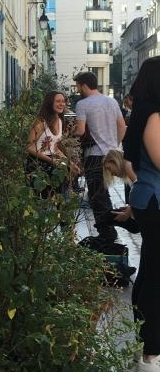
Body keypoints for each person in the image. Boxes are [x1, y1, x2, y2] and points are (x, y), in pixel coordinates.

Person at [123, 58, 160, 372]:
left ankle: (145, 342)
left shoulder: (145, 113)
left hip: (149, 198)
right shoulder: (153, 116)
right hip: (154, 200)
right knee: (155, 276)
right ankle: (151, 353)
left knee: (150, 269)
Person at [72, 71, 126, 250]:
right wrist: (114, 145)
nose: (77, 89)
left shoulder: (82, 104)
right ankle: (108, 230)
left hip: (94, 154)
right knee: (103, 193)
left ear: (84, 85)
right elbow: (122, 126)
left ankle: (106, 233)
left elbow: (80, 131)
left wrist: (66, 135)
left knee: (97, 196)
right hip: (111, 154)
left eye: (78, 86)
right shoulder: (111, 101)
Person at [26, 90, 81, 195]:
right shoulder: (41, 122)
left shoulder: (60, 121)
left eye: (63, 101)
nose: (61, 104)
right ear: (50, 103)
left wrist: (70, 163)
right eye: (58, 101)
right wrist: (51, 160)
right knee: (42, 197)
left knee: (58, 196)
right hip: (37, 163)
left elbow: (54, 148)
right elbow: (29, 147)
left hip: (53, 162)